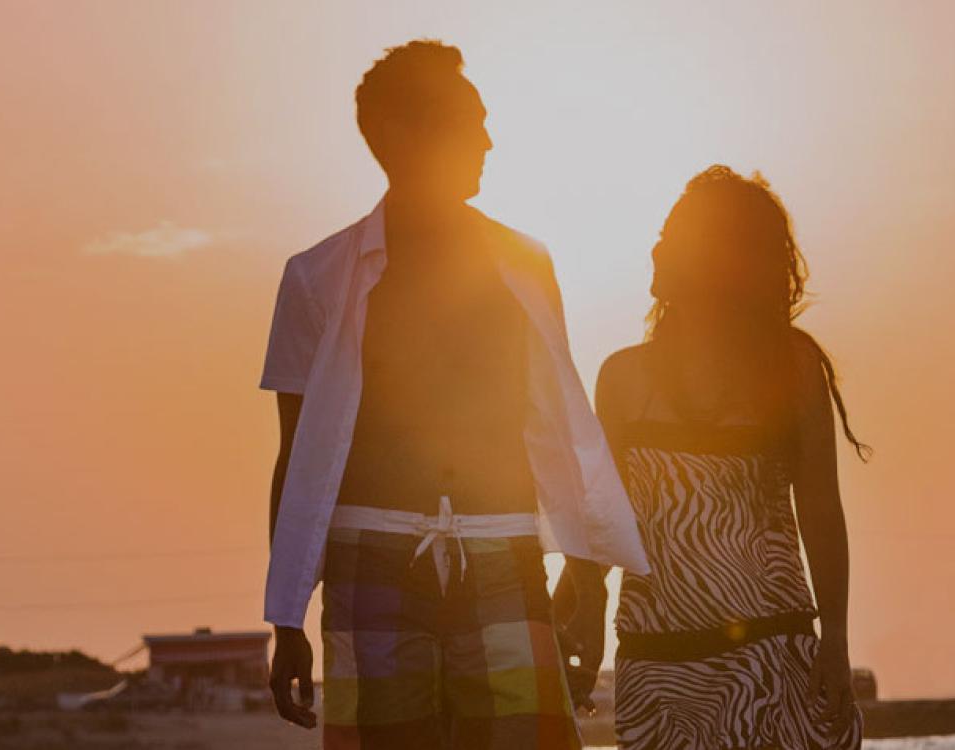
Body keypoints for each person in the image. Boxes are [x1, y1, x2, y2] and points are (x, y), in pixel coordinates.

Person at [257, 40, 648, 750]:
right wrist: (285, 617)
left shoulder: (524, 264)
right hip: (368, 553)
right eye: (471, 122)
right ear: (408, 135)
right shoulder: (317, 277)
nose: (490, 141)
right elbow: (297, 456)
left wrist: (586, 584)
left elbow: (559, 430)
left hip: (505, 551)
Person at [553, 166, 868, 749]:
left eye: (672, 236)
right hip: (660, 673)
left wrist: (838, 639)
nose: (655, 247)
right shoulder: (623, 379)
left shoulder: (790, 369)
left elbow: (821, 512)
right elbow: (604, 518)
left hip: (775, 664)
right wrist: (562, 619)